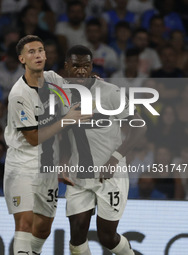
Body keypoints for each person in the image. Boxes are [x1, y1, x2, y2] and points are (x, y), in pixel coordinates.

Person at [4, 35, 90, 255]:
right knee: (24, 224)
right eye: (31, 52)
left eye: (40, 50)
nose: (38, 55)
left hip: (48, 166)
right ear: (22, 59)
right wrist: (67, 119)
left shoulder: (53, 79)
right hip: (22, 165)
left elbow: (74, 90)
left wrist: (90, 80)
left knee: (43, 228)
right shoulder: (19, 95)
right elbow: (33, 138)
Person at [63, 45, 147, 255]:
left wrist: (115, 159)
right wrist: (63, 161)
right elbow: (62, 133)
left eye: (86, 66)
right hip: (78, 175)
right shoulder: (60, 95)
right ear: (67, 67)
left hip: (110, 175)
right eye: (76, 65)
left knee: (107, 237)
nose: (81, 70)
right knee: (76, 235)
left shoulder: (109, 92)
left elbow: (140, 126)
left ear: (92, 67)